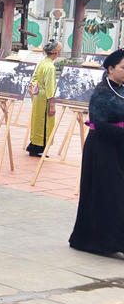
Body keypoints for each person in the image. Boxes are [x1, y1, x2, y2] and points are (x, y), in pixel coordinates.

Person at [69, 49, 124, 257]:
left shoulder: (121, 88)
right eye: (123, 68)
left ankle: (108, 239)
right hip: (102, 147)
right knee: (109, 193)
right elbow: (100, 125)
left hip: (118, 146)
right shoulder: (102, 92)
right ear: (110, 69)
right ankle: (100, 240)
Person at [26, 41, 60, 157]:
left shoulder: (43, 62)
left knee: (37, 121)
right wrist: (52, 104)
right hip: (45, 96)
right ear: (56, 52)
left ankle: (34, 146)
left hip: (38, 95)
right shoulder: (50, 67)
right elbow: (50, 87)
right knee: (44, 122)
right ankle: (39, 148)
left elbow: (34, 78)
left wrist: (35, 90)